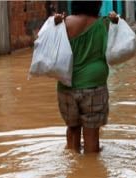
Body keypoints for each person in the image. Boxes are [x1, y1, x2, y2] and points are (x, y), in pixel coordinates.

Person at [53, 2, 119, 153]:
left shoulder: (64, 23)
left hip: (67, 85)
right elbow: (121, 40)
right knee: (91, 132)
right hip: (95, 84)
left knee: (72, 128)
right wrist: (116, 21)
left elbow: (44, 42)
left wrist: (54, 23)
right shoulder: (105, 24)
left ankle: (74, 168)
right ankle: (91, 171)